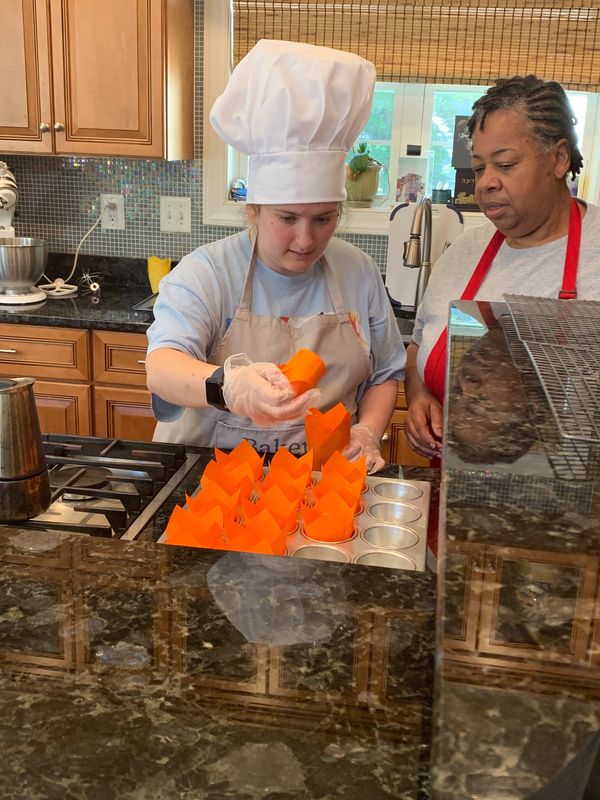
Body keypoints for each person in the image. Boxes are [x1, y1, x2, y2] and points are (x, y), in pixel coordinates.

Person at [145, 39, 405, 473]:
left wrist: (366, 432)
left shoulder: (357, 271)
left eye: (323, 219)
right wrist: (230, 385)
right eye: (287, 218)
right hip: (208, 478)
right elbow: (162, 368)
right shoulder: (207, 272)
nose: (305, 239)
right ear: (254, 210)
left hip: (316, 480)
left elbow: (386, 374)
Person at [404, 74, 600, 460]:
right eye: (479, 168)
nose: (486, 184)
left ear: (559, 158)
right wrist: (419, 397)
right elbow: (418, 344)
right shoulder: (464, 252)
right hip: (457, 493)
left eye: (505, 164)